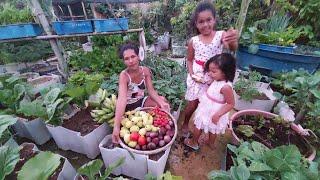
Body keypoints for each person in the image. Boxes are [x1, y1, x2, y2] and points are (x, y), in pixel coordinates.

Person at [182, 0, 239, 137]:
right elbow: (189, 60)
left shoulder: (220, 35)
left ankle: (206, 128)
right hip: (197, 78)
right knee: (193, 104)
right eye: (201, 21)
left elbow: (231, 47)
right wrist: (192, 74)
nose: (205, 24)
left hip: (214, 80)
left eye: (209, 20)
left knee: (210, 106)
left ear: (214, 20)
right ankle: (185, 123)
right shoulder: (193, 41)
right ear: (196, 24)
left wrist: (232, 40)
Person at [112, 43, 170, 143]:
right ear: (123, 61)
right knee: (133, 126)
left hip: (141, 101)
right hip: (128, 107)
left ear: (139, 56)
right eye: (126, 59)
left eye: (133, 56)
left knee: (162, 100)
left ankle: (157, 129)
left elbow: (151, 91)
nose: (131, 61)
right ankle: (144, 122)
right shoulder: (124, 76)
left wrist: (162, 103)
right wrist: (116, 126)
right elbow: (122, 99)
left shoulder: (145, 71)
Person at [184, 53, 236, 150]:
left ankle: (194, 142)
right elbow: (214, 83)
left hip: (214, 110)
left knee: (199, 125)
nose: (209, 73)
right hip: (208, 105)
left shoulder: (226, 87)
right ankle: (210, 143)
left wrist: (218, 114)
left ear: (225, 72)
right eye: (209, 70)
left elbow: (231, 103)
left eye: (213, 71)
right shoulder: (219, 79)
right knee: (213, 128)